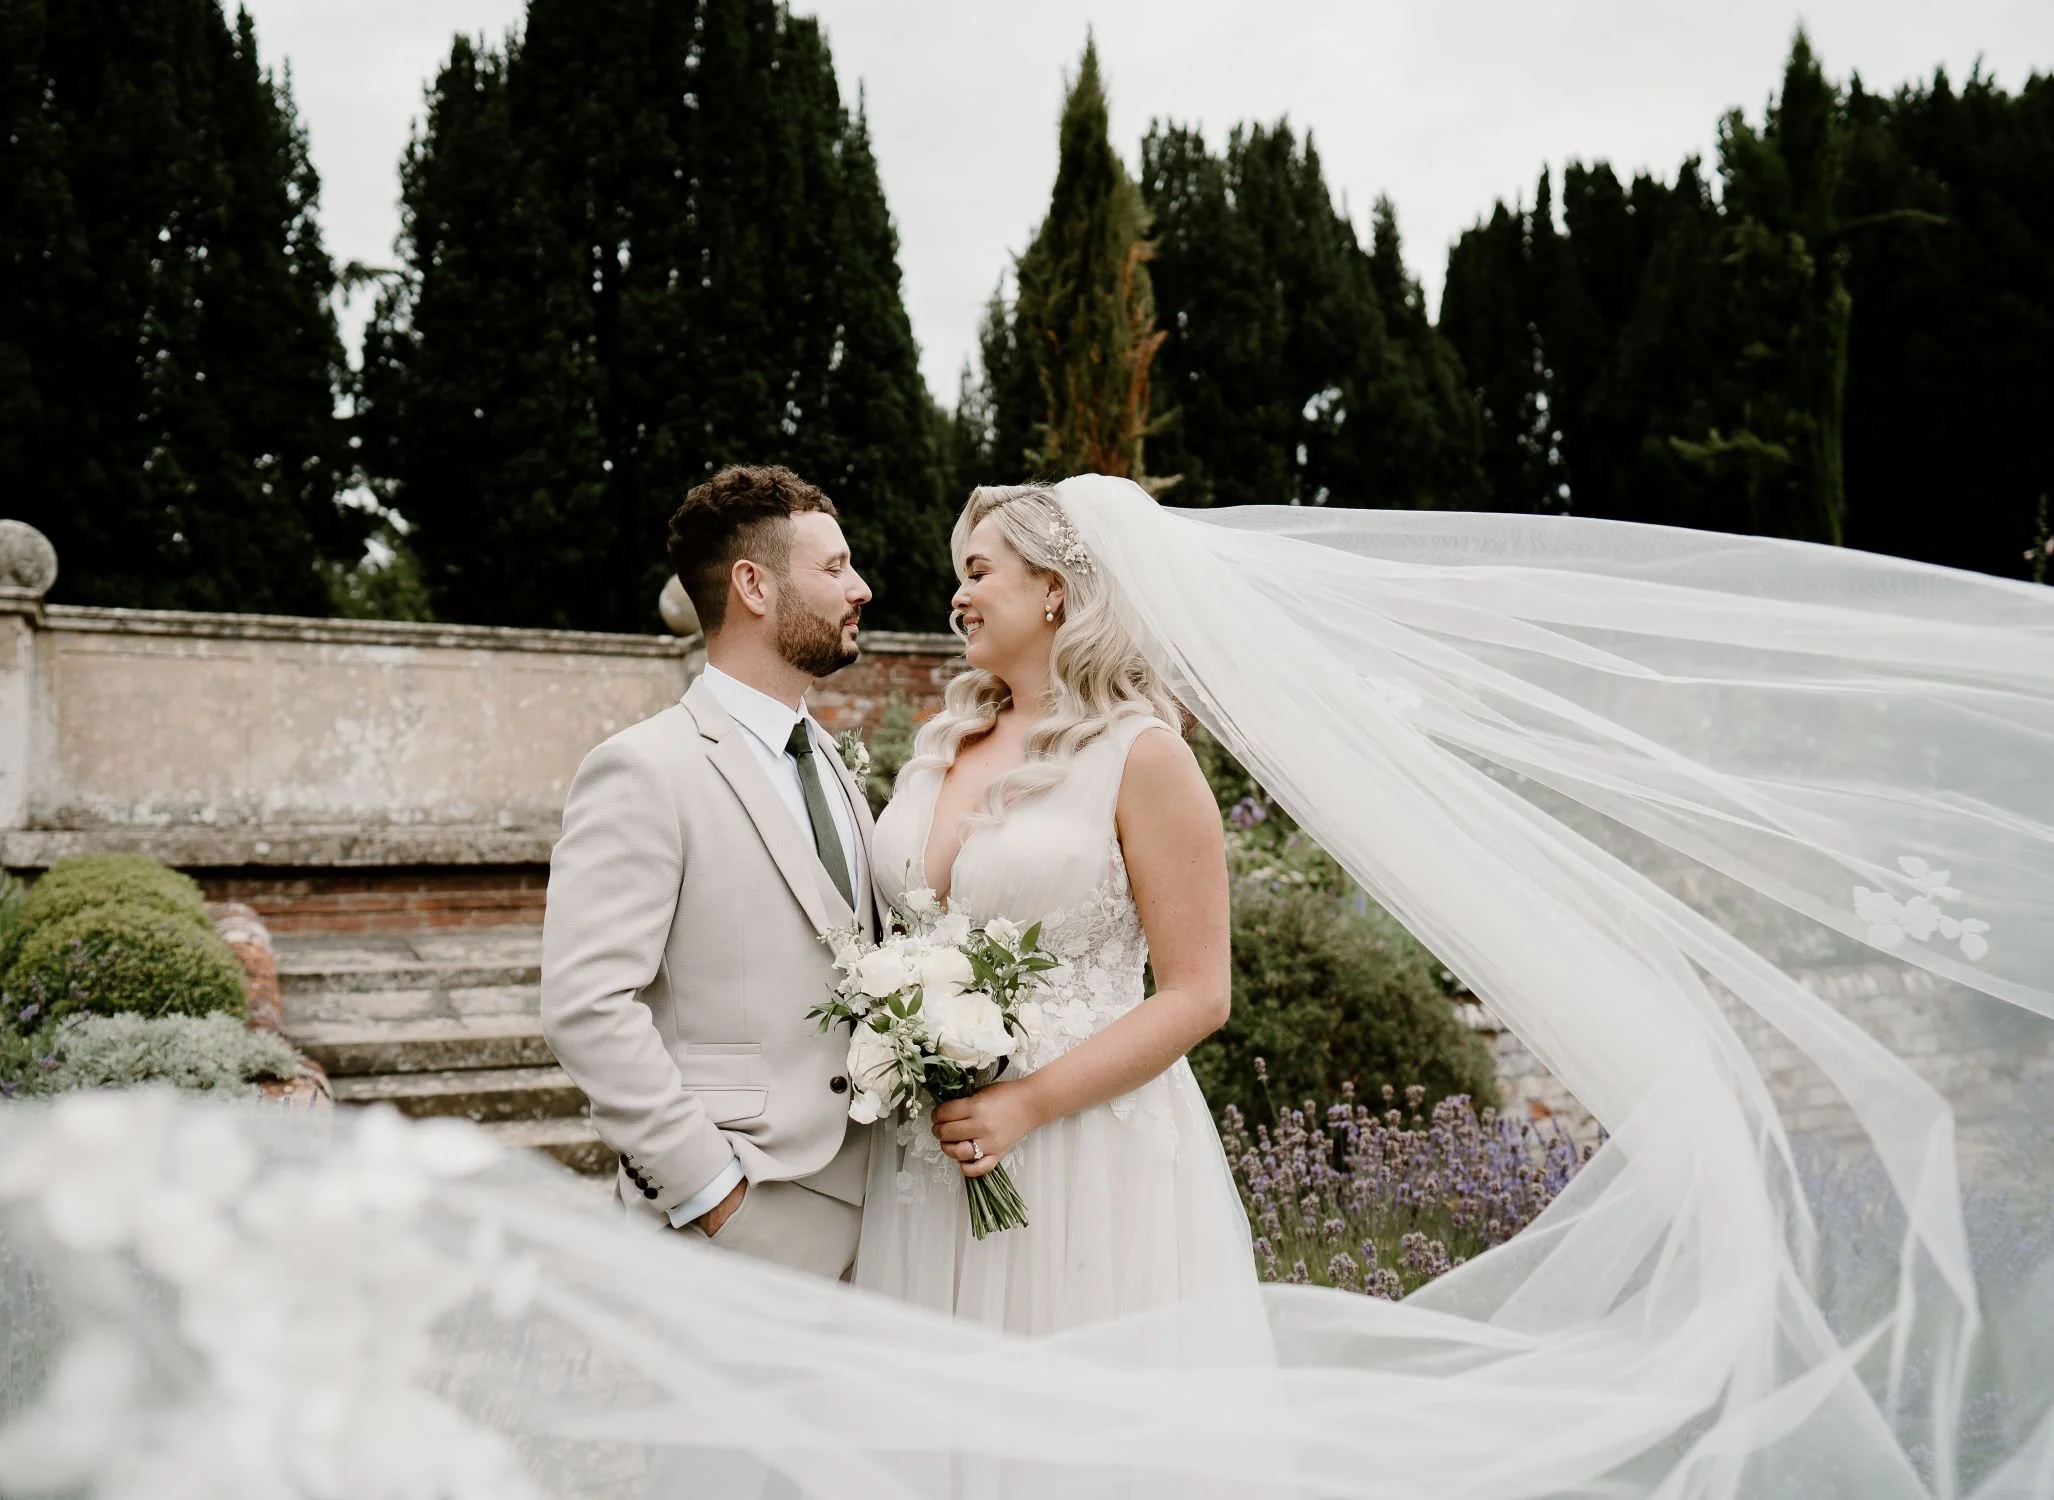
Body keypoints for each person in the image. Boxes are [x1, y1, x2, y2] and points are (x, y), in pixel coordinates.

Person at [854, 485, 1270, 1349]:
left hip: (1083, 1150)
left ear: (1053, 589)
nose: (958, 595)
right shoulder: (940, 745)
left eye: (978, 571)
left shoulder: (1141, 754)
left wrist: (1027, 1104)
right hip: (930, 1155)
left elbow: (1198, 994)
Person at [540, 463, 878, 1278]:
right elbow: (586, 1006)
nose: (860, 588)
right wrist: (708, 1193)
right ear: (753, 586)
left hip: (877, 1207)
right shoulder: (643, 769)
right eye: (833, 568)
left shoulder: (829, 758)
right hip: (736, 1220)